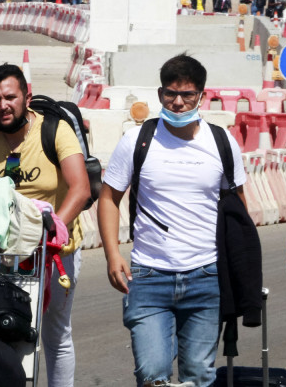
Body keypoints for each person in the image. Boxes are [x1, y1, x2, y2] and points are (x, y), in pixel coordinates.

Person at [98, 55, 249, 387]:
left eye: (188, 95)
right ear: (160, 93)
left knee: (199, 376)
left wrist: (240, 268)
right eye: (170, 94)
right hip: (149, 277)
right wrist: (112, 254)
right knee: (152, 375)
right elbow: (109, 198)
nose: (178, 103)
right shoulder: (138, 140)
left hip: (206, 278)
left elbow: (238, 210)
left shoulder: (222, 143)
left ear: (201, 96)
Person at [0, 65, 91, 387]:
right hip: (2, 255)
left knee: (55, 334)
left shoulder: (55, 130)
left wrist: (51, 233)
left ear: (27, 96)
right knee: (2, 329)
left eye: (10, 97)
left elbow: (80, 189)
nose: (3, 105)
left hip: (54, 252)